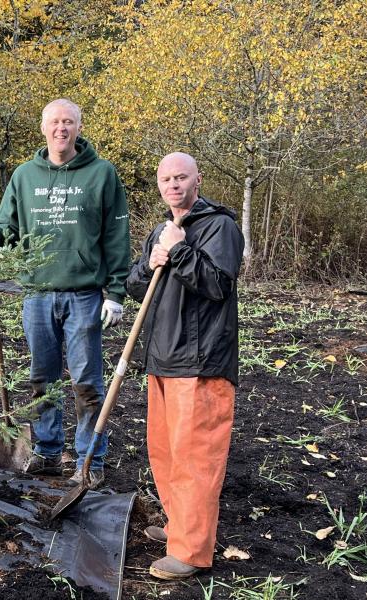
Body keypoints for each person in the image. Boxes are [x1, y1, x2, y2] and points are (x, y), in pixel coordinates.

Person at [0, 98, 130, 488]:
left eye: (69, 122)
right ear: (43, 128)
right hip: (37, 293)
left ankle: (90, 457)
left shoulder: (102, 174)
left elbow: (115, 237)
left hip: (84, 295)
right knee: (42, 377)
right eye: (55, 122)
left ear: (78, 127)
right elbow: (7, 230)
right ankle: (46, 452)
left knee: (87, 381)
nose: (62, 128)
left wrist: (116, 292)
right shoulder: (25, 176)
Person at [125, 152, 243, 580]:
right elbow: (137, 286)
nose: (173, 185)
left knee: (195, 458)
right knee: (167, 453)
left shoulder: (219, 226)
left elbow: (216, 284)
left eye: (181, 177)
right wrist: (151, 262)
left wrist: (179, 253)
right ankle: (180, 529)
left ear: (197, 180)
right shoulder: (163, 229)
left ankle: (191, 551)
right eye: (165, 179)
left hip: (201, 360)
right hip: (163, 356)